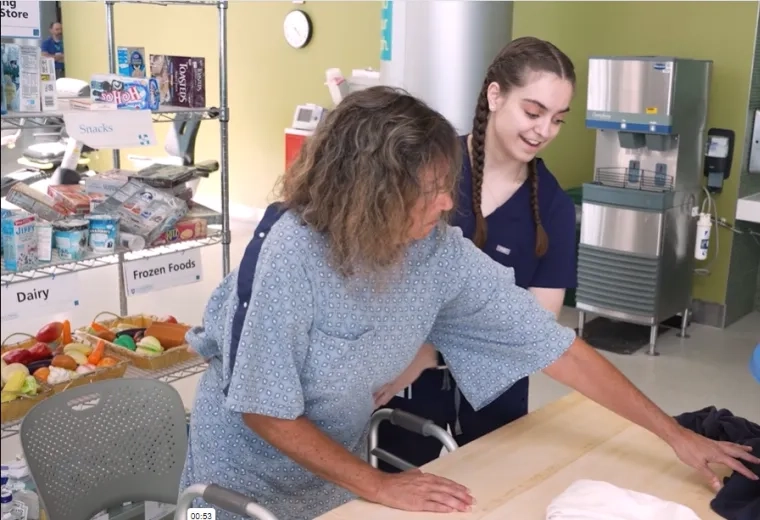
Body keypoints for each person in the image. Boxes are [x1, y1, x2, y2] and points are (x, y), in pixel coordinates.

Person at [180, 86, 758, 520]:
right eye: (426, 191)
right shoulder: (289, 253)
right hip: (231, 483)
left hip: (335, 481)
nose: (444, 205)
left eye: (446, 185)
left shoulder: (436, 253)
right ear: (367, 194)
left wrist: (676, 435)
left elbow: (556, 348)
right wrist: (379, 483)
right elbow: (263, 408)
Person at [374, 36, 579, 469]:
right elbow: (378, 270)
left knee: (489, 497)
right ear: (495, 95)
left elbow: (538, 323)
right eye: (533, 111)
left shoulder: (555, 209)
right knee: (402, 490)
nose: (544, 131)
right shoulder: (428, 169)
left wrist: (430, 352)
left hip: (495, 394)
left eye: (558, 119)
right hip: (402, 383)